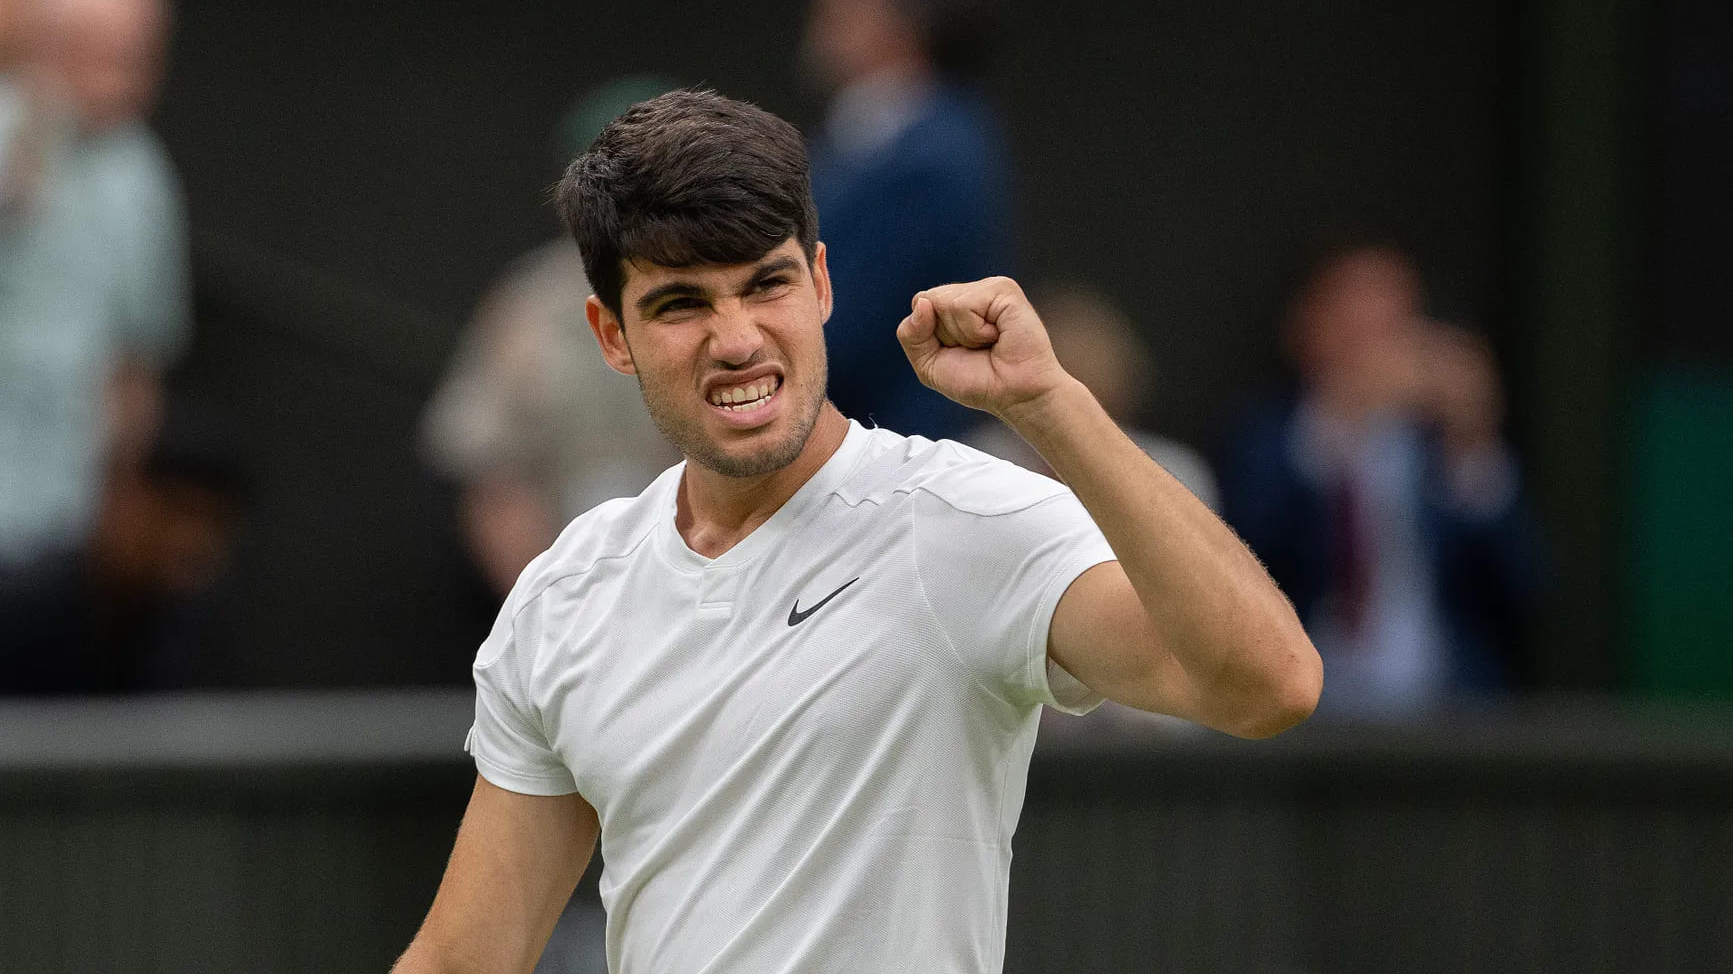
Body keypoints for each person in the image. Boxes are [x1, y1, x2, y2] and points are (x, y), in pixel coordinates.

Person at [391, 90, 1320, 974]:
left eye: (767, 285)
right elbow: (468, 954)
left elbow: (1266, 686)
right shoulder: (566, 594)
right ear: (611, 334)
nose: (739, 338)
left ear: (821, 282)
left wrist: (1054, 404)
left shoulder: (962, 519)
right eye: (683, 304)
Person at [1217, 243, 1542, 719]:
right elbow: (1242, 562)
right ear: (1306, 327)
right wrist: (1342, 421)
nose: (1373, 353)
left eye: (1391, 331)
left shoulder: (1443, 447)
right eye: (1355, 331)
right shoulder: (1265, 440)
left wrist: (1474, 444)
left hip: (1448, 708)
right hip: (1303, 712)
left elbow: (1525, 586)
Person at [422, 76, 681, 599]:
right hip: (568, 580)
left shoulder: (744, 290)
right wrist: (549, 607)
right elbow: (493, 480)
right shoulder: (530, 304)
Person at [0, 0, 189, 572]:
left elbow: (140, 358)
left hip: (55, 517)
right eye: (102, 60)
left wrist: (118, 490)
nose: (124, 85)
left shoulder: (139, 176)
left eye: (139, 64)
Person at [802, 0, 1013, 442]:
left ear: (906, 24)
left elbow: (849, 322)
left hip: (894, 446)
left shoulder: (933, 152)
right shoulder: (868, 136)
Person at [966, 282, 1219, 511]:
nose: (1071, 406)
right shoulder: (974, 465)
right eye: (1065, 377)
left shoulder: (1175, 473)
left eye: (1091, 390)